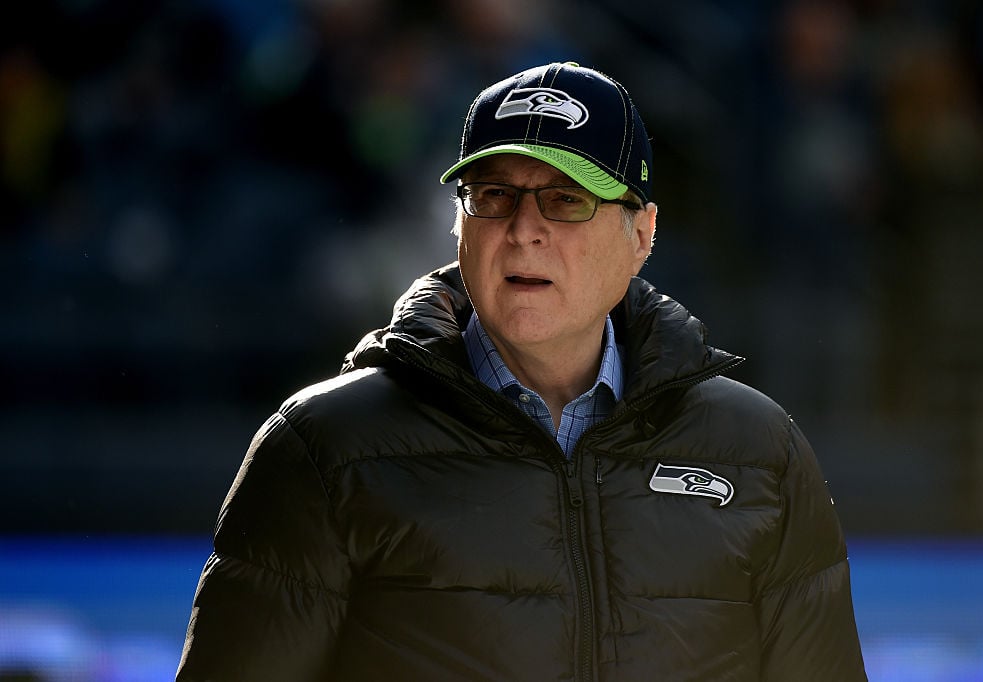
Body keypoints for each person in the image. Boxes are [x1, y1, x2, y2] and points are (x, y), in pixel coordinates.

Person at [177, 62, 866, 681]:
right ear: (461, 226)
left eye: (566, 199)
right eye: (494, 196)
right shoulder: (321, 450)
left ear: (643, 234)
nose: (523, 229)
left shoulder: (759, 453)